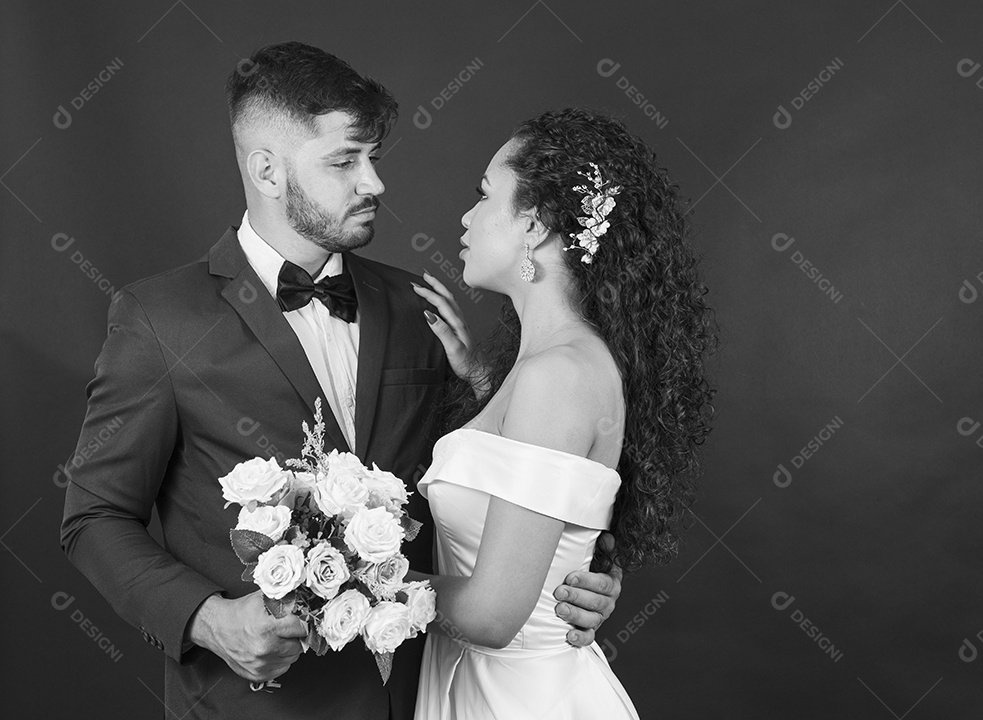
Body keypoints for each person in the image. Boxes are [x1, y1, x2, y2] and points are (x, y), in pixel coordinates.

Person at [58, 42, 620, 720]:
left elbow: (498, 485)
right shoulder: (159, 320)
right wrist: (207, 619)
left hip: (424, 696)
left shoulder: (418, 307)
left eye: (373, 157)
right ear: (267, 171)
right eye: (345, 160)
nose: (374, 183)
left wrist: (582, 571)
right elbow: (94, 517)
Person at [408, 108, 717, 718]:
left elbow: (492, 615)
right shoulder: (551, 367)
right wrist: (482, 382)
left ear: (535, 223)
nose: (466, 217)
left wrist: (358, 579)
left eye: (484, 195)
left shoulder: (558, 376)